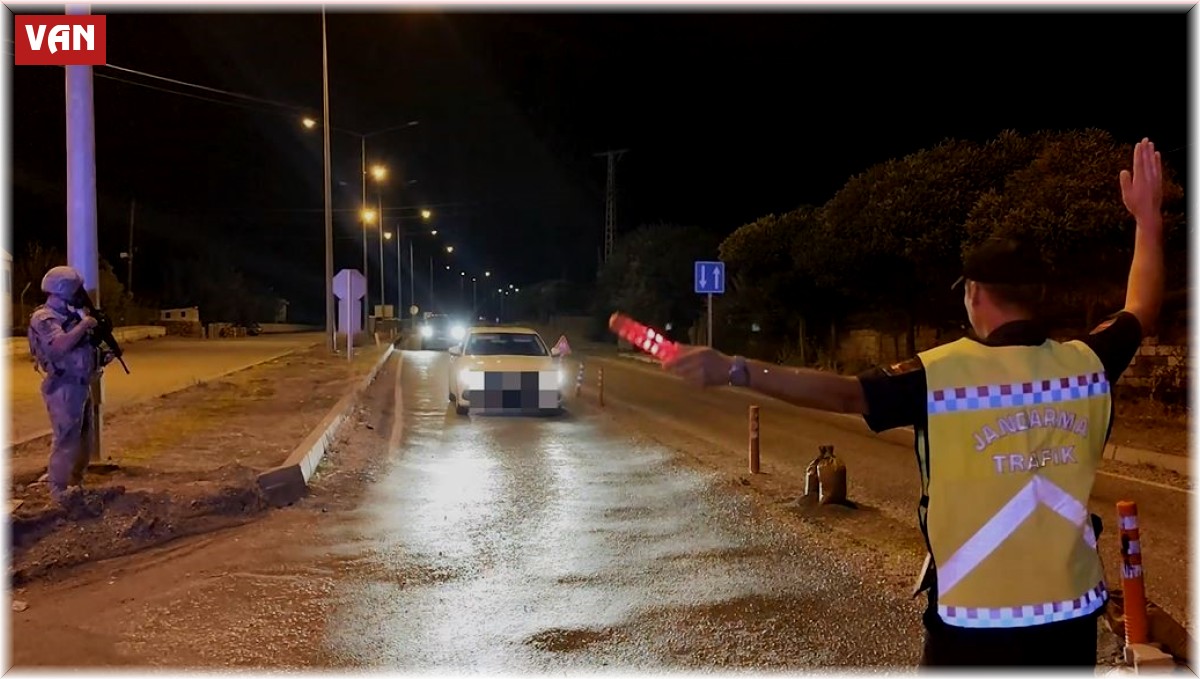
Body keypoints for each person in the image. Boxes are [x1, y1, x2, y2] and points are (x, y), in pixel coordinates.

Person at [662, 138, 1164, 667]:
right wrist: (1147, 221)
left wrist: (736, 368)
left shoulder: (940, 374)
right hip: (1070, 621)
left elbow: (844, 392)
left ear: (974, 293)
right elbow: (1141, 308)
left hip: (973, 627)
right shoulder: (1087, 363)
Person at [27, 265, 114, 506]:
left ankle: (75, 484)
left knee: (83, 439)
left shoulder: (71, 315)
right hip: (63, 385)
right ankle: (58, 490)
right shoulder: (45, 318)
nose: (79, 293)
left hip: (80, 383)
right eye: (75, 289)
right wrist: (85, 325)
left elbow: (81, 348)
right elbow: (58, 347)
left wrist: (101, 356)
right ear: (63, 289)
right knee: (66, 440)